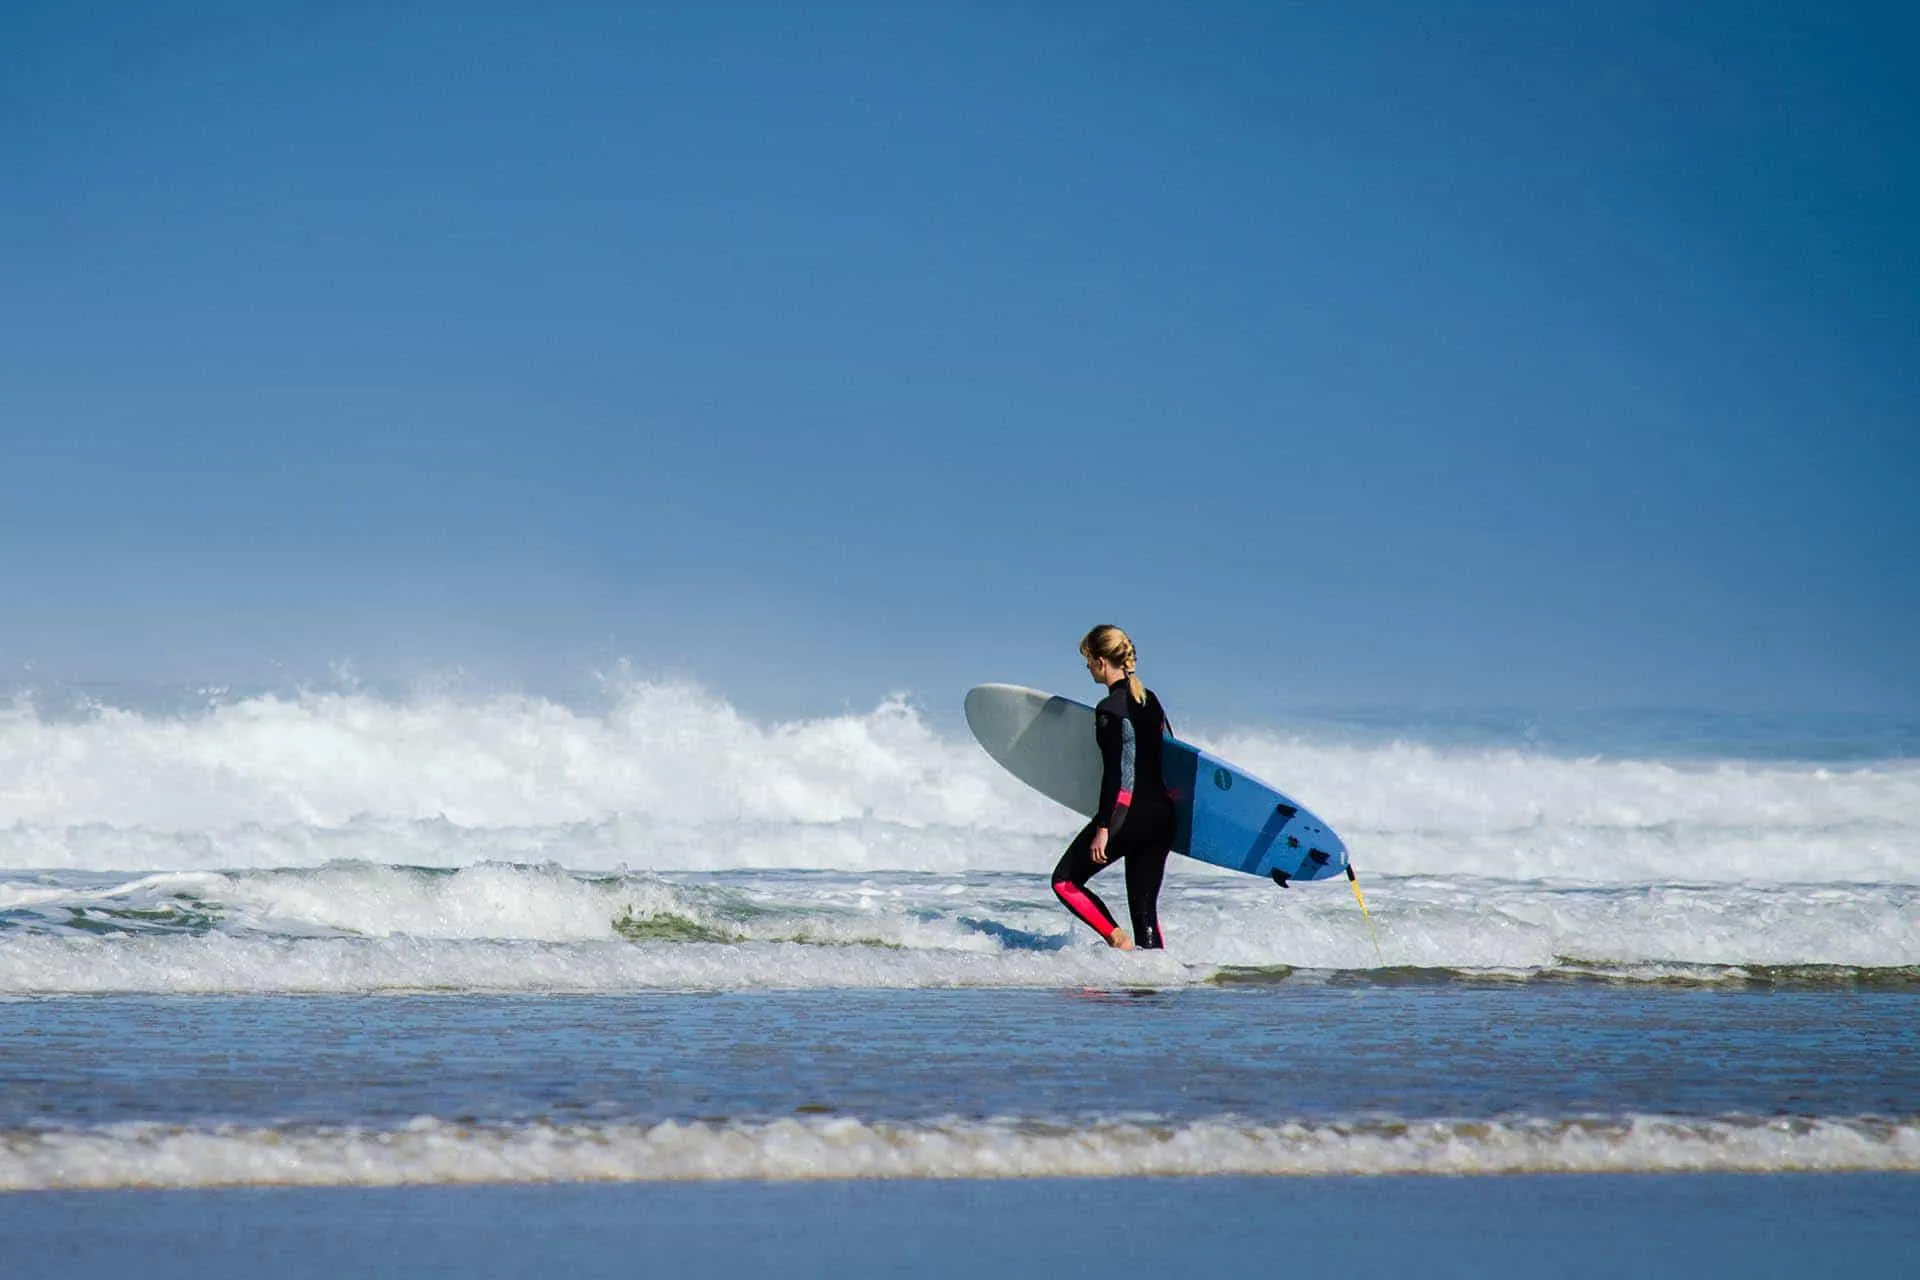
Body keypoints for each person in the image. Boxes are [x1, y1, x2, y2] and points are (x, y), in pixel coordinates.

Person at [1050, 625, 1175, 950]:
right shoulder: (1151, 701)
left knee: (1064, 881)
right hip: (1163, 817)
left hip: (1127, 816)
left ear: (1101, 661)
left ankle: (1118, 940)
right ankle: (1156, 978)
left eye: (1088, 660)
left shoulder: (1109, 709)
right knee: (1145, 915)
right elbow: (1171, 751)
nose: (1087, 667)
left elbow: (1117, 774)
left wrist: (1104, 827)